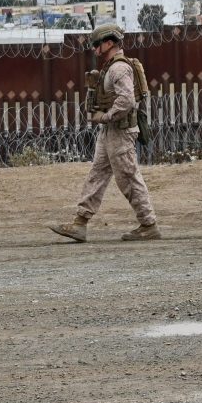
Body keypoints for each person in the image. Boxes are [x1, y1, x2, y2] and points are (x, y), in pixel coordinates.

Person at [49, 24, 162, 241]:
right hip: (111, 132)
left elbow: (127, 100)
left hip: (120, 131)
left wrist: (107, 115)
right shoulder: (111, 67)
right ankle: (80, 223)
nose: (94, 48)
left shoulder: (119, 69)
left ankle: (149, 224)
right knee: (97, 174)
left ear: (109, 43)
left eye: (97, 44)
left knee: (128, 177)